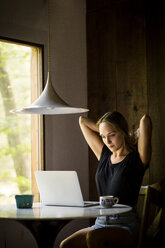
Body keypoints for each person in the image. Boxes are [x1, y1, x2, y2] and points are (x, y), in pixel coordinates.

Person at [59, 111, 152, 248]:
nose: (107, 141)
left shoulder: (137, 159)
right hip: (100, 222)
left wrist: (125, 132)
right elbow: (82, 121)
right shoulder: (104, 155)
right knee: (66, 245)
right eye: (103, 136)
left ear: (122, 131)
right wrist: (105, 128)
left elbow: (145, 120)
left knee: (94, 238)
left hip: (125, 225)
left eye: (112, 135)